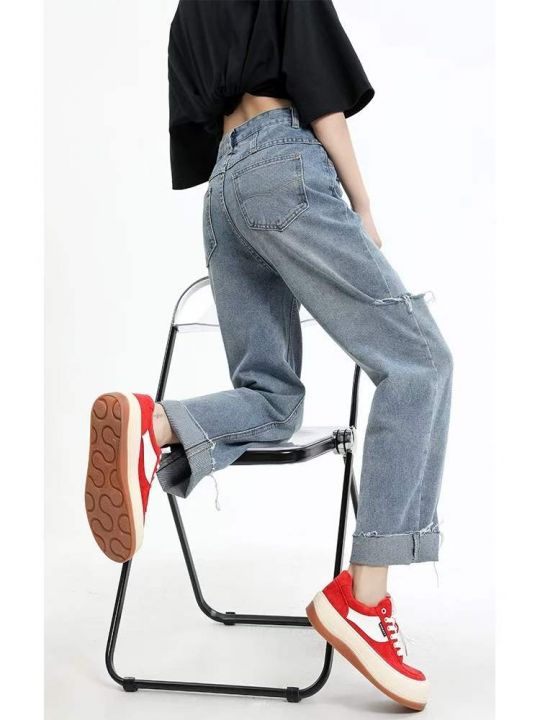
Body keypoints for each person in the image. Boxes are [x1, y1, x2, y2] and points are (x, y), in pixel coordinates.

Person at [84, 0, 453, 712]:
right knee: (420, 362)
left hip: (223, 193)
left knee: (272, 400)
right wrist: (362, 206)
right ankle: (364, 602)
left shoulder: (188, 14)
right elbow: (318, 93)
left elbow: (195, 127)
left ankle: (152, 424)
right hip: (284, 167)